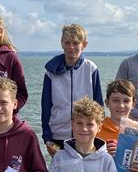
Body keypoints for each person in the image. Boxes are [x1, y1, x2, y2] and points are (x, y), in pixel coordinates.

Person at [41, 23, 103, 156]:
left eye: (75, 43)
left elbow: (99, 105)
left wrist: (98, 133)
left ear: (84, 44)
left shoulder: (91, 68)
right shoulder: (51, 71)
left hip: (84, 133)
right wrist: (47, 138)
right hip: (58, 135)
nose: (71, 47)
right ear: (61, 43)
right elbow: (45, 106)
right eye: (67, 42)